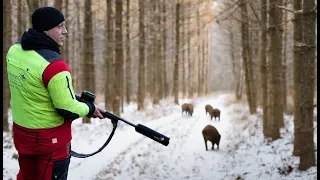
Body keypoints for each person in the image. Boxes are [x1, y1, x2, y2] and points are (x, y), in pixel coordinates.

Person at [6, 7, 105, 180]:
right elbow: (66, 108)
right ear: (45, 29)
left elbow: (35, 87)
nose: (65, 31)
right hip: (51, 143)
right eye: (60, 26)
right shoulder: (55, 67)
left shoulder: (14, 52)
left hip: (22, 136)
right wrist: (89, 108)